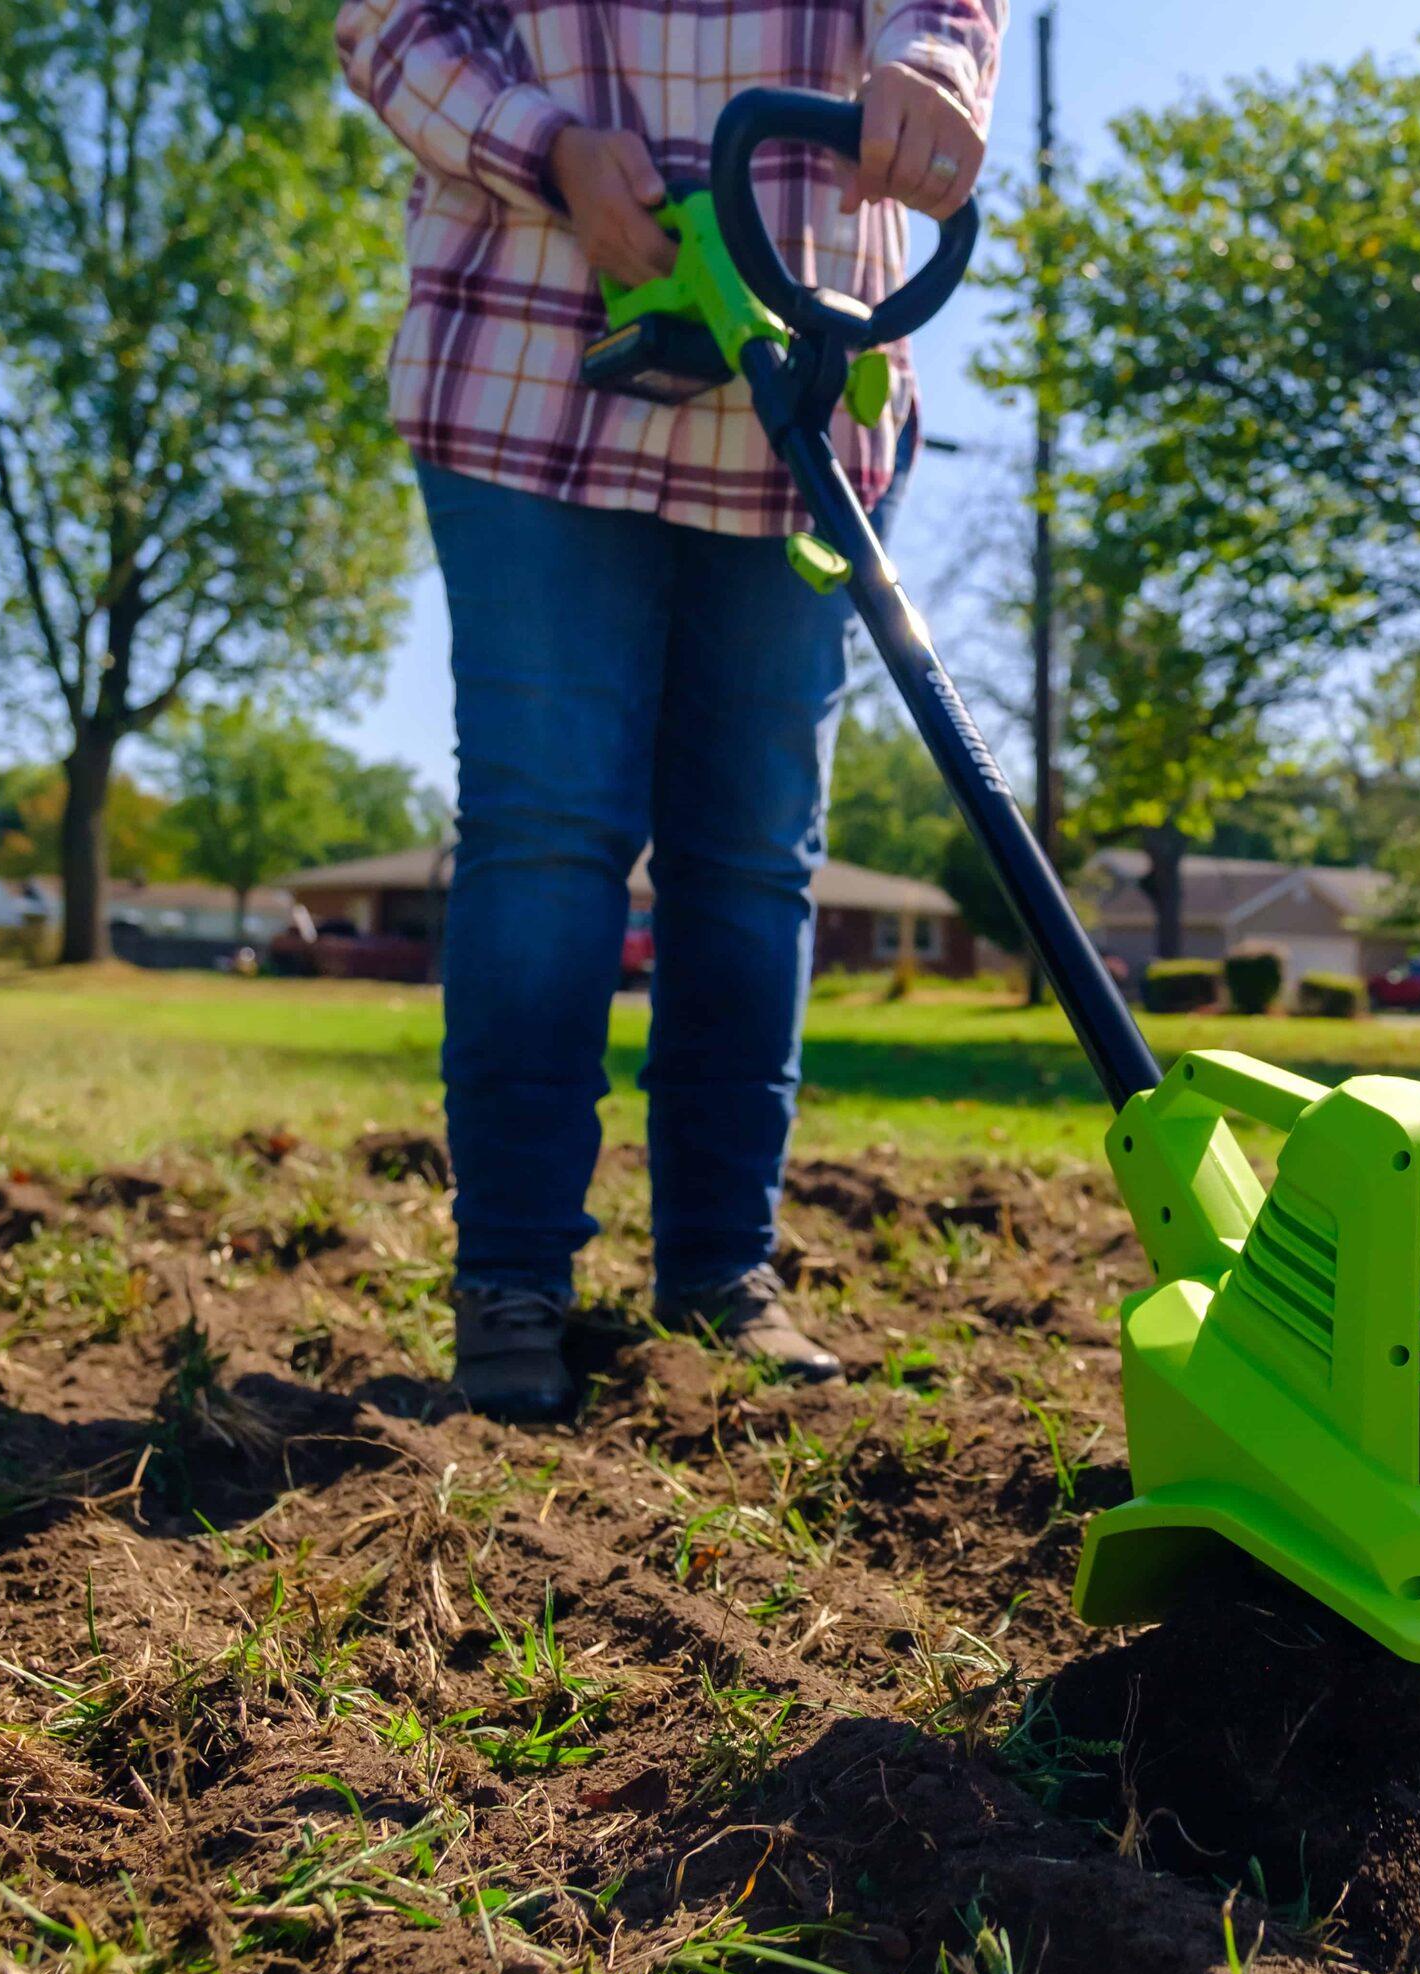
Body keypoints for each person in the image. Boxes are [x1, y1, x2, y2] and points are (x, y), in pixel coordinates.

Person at [336, 0, 1002, 1419]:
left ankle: (720, 1272)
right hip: (536, 357)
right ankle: (511, 1281)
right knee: (547, 839)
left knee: (755, 867)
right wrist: (554, 150)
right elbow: (390, 23)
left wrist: (932, 73)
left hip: (806, 373)